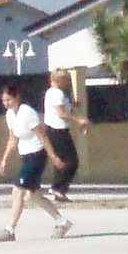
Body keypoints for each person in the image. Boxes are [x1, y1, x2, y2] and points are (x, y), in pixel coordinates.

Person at [0, 83, 72, 240]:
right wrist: (4, 159)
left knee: (18, 191)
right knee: (33, 196)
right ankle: (62, 222)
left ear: (17, 97)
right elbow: (13, 138)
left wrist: (54, 157)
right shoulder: (10, 115)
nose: (6, 103)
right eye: (4, 100)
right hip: (26, 156)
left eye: (9, 100)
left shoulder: (27, 113)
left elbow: (43, 136)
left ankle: (10, 230)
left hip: (37, 155)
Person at [41, 68, 83, 198]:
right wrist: (78, 120)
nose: (68, 82)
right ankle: (58, 187)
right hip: (58, 130)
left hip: (53, 129)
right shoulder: (57, 93)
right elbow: (61, 113)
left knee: (61, 161)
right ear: (59, 80)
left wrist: (73, 104)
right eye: (67, 79)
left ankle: (58, 190)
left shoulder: (51, 92)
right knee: (72, 161)